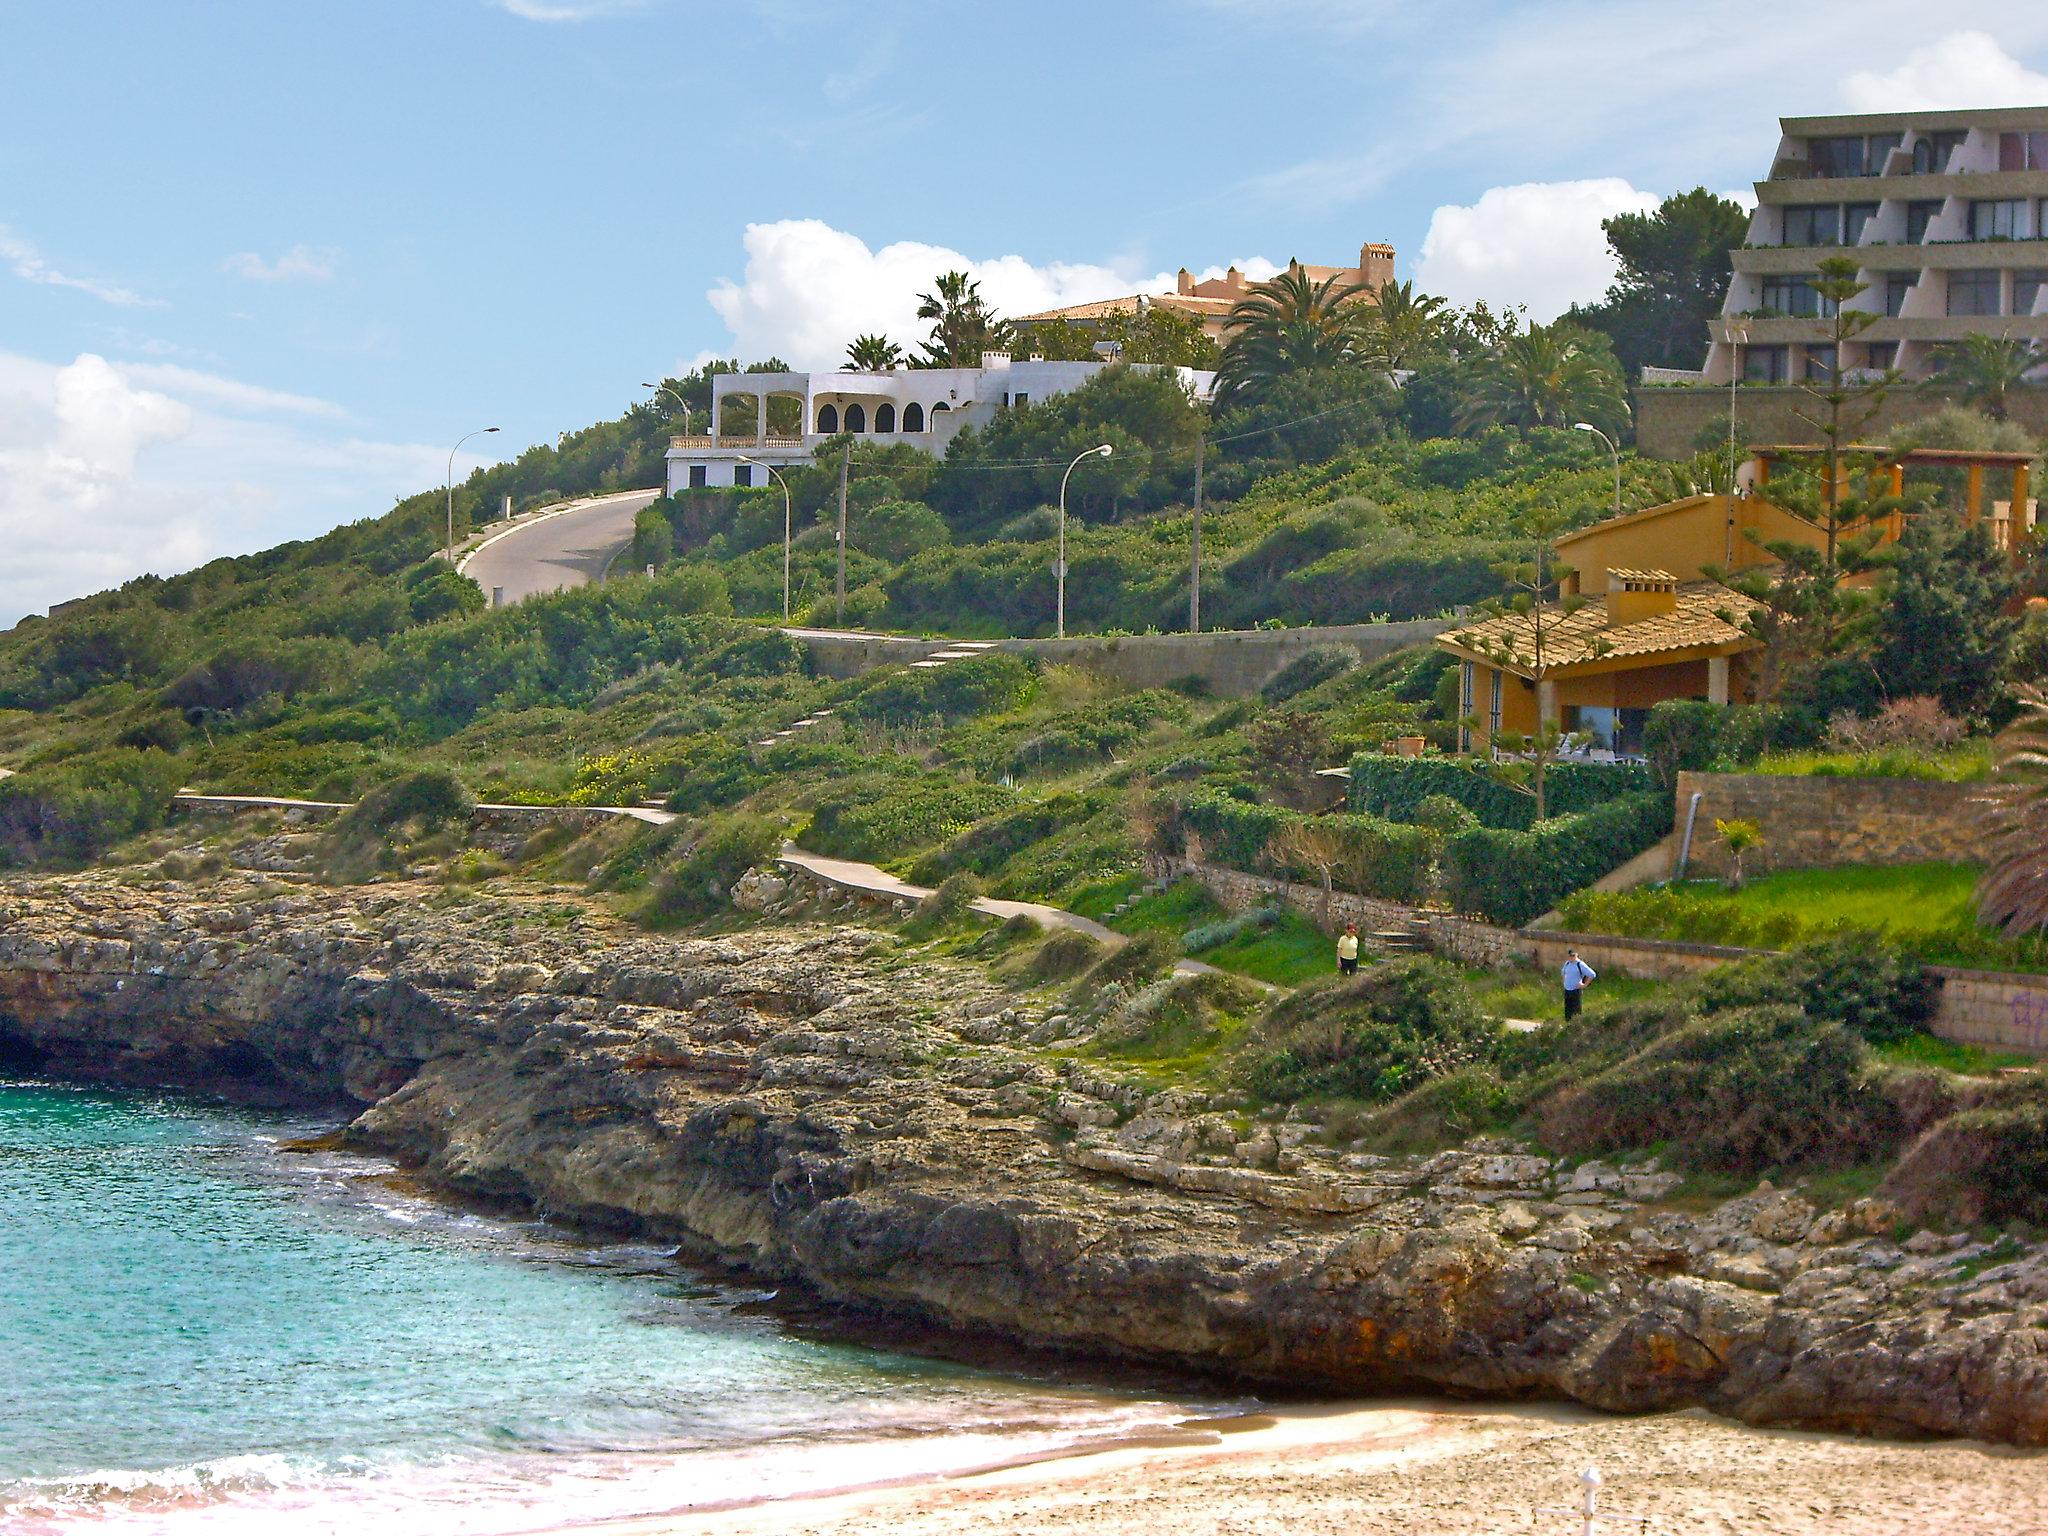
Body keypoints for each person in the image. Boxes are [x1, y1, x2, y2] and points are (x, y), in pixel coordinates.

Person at [1561, 948, 1596, 1019]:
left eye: (1573, 955)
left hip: (1575, 991)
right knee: (1567, 1012)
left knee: (1576, 1012)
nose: (1571, 957)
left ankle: (1576, 1026)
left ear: (1576, 955)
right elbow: (1563, 972)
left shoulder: (1580, 964)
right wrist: (1565, 982)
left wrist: (1585, 985)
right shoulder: (1567, 963)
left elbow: (1592, 974)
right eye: (1570, 956)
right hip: (1567, 990)